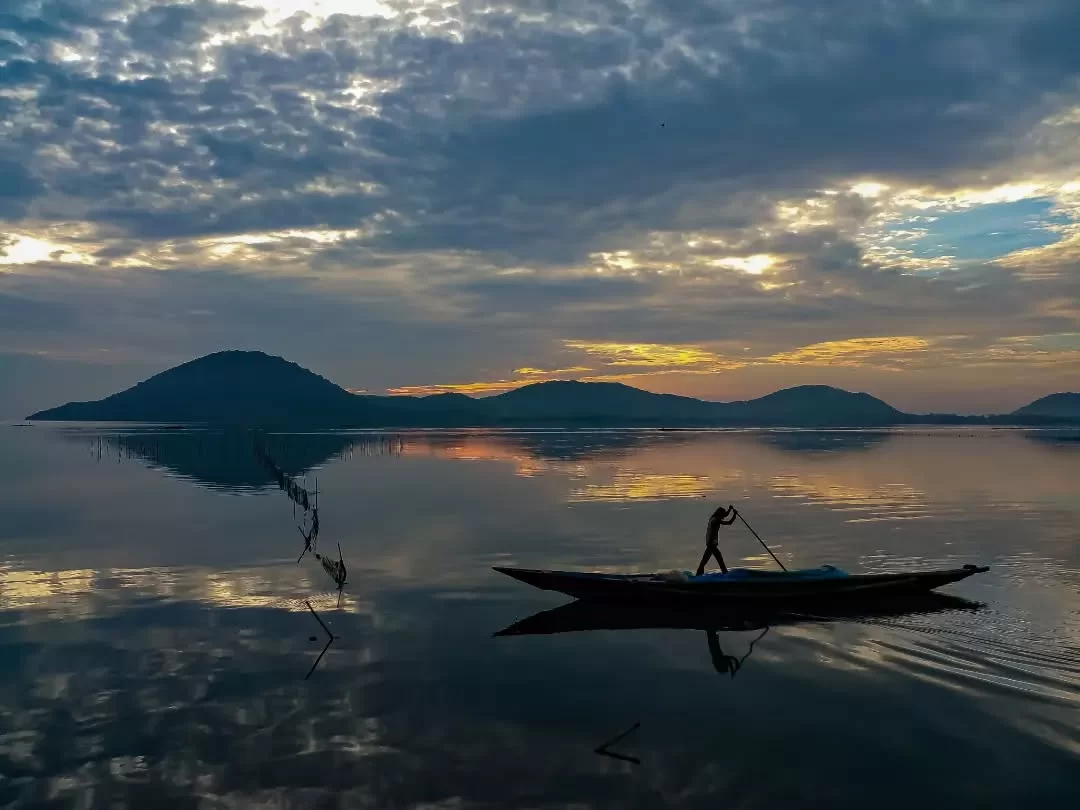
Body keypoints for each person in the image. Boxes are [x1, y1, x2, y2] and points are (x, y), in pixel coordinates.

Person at [696, 504, 737, 576]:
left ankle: (698, 575)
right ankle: (725, 574)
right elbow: (729, 523)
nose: (723, 517)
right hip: (711, 544)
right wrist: (734, 515)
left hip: (710, 544)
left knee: (704, 561)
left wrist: (730, 509)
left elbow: (725, 515)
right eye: (722, 516)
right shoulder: (716, 521)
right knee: (719, 558)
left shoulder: (713, 518)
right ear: (719, 515)